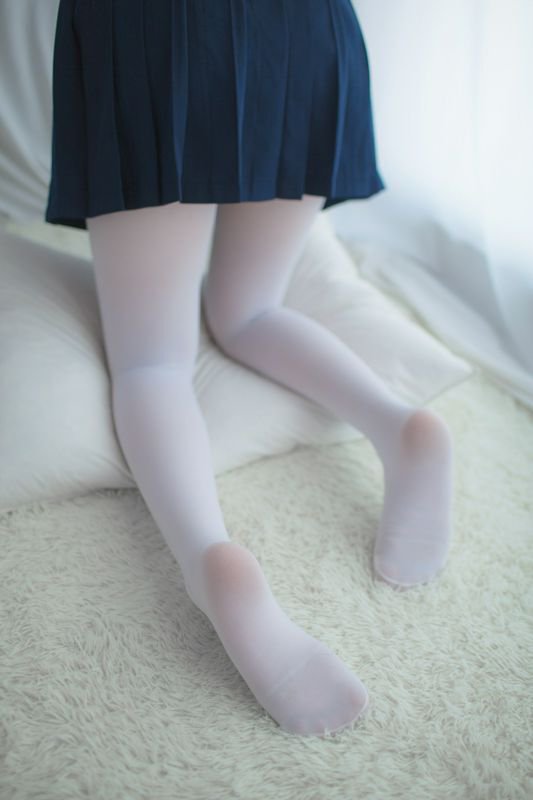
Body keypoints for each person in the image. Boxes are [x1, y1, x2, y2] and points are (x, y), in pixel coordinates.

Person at [44, 0, 453, 737]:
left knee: (152, 364)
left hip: (152, 33)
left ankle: (211, 562)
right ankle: (398, 429)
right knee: (249, 308)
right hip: (304, 30)